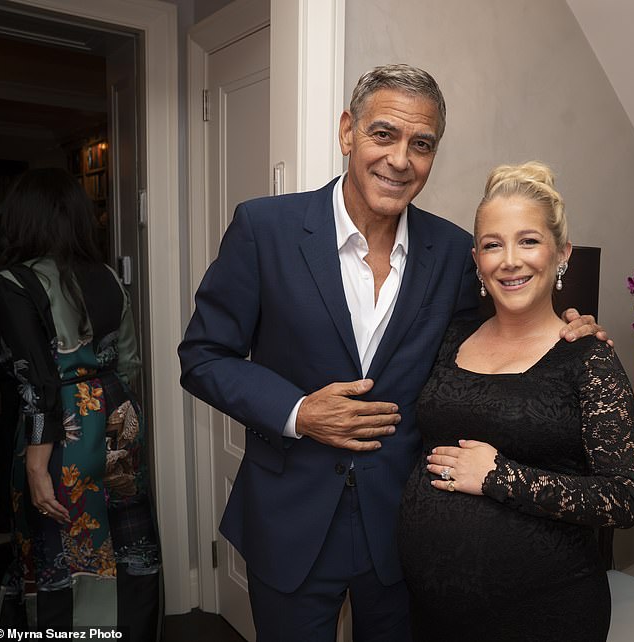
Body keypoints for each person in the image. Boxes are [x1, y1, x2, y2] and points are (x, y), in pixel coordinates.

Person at [178, 64, 606, 641]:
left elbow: (499, 341)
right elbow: (203, 355)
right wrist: (299, 411)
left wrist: (569, 328)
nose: (400, 159)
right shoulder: (264, 228)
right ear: (347, 131)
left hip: (406, 532)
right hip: (290, 523)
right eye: (384, 134)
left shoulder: (456, 252)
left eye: (421, 144)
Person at [397, 161, 634, 642]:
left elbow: (623, 499)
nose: (509, 260)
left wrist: (499, 477)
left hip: (543, 612)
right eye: (493, 244)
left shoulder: (588, 358)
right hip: (432, 614)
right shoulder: (450, 337)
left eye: (528, 241)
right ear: (476, 259)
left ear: (562, 253)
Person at [0, 168, 160, 638]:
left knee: (56, 543)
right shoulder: (105, 275)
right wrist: (117, 412)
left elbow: (36, 383)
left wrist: (36, 466)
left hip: (61, 428)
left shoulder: (12, 282)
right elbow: (130, 364)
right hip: (119, 414)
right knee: (126, 539)